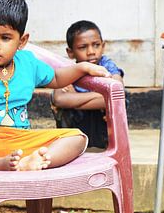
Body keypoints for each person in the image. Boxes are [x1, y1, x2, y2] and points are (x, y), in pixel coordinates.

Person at [0, 0, 111, 171]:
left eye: (5, 38)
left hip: (22, 140)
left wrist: (81, 68)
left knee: (77, 138)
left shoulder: (28, 63)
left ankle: (35, 161)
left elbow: (56, 78)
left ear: (22, 41)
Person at [51, 20, 125, 149]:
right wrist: (101, 97)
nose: (91, 51)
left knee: (119, 102)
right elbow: (59, 99)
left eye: (96, 45)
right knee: (64, 110)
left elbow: (117, 94)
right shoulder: (68, 68)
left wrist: (75, 101)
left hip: (101, 129)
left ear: (103, 46)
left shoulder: (107, 65)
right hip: (76, 127)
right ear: (70, 52)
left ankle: (107, 146)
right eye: (82, 47)